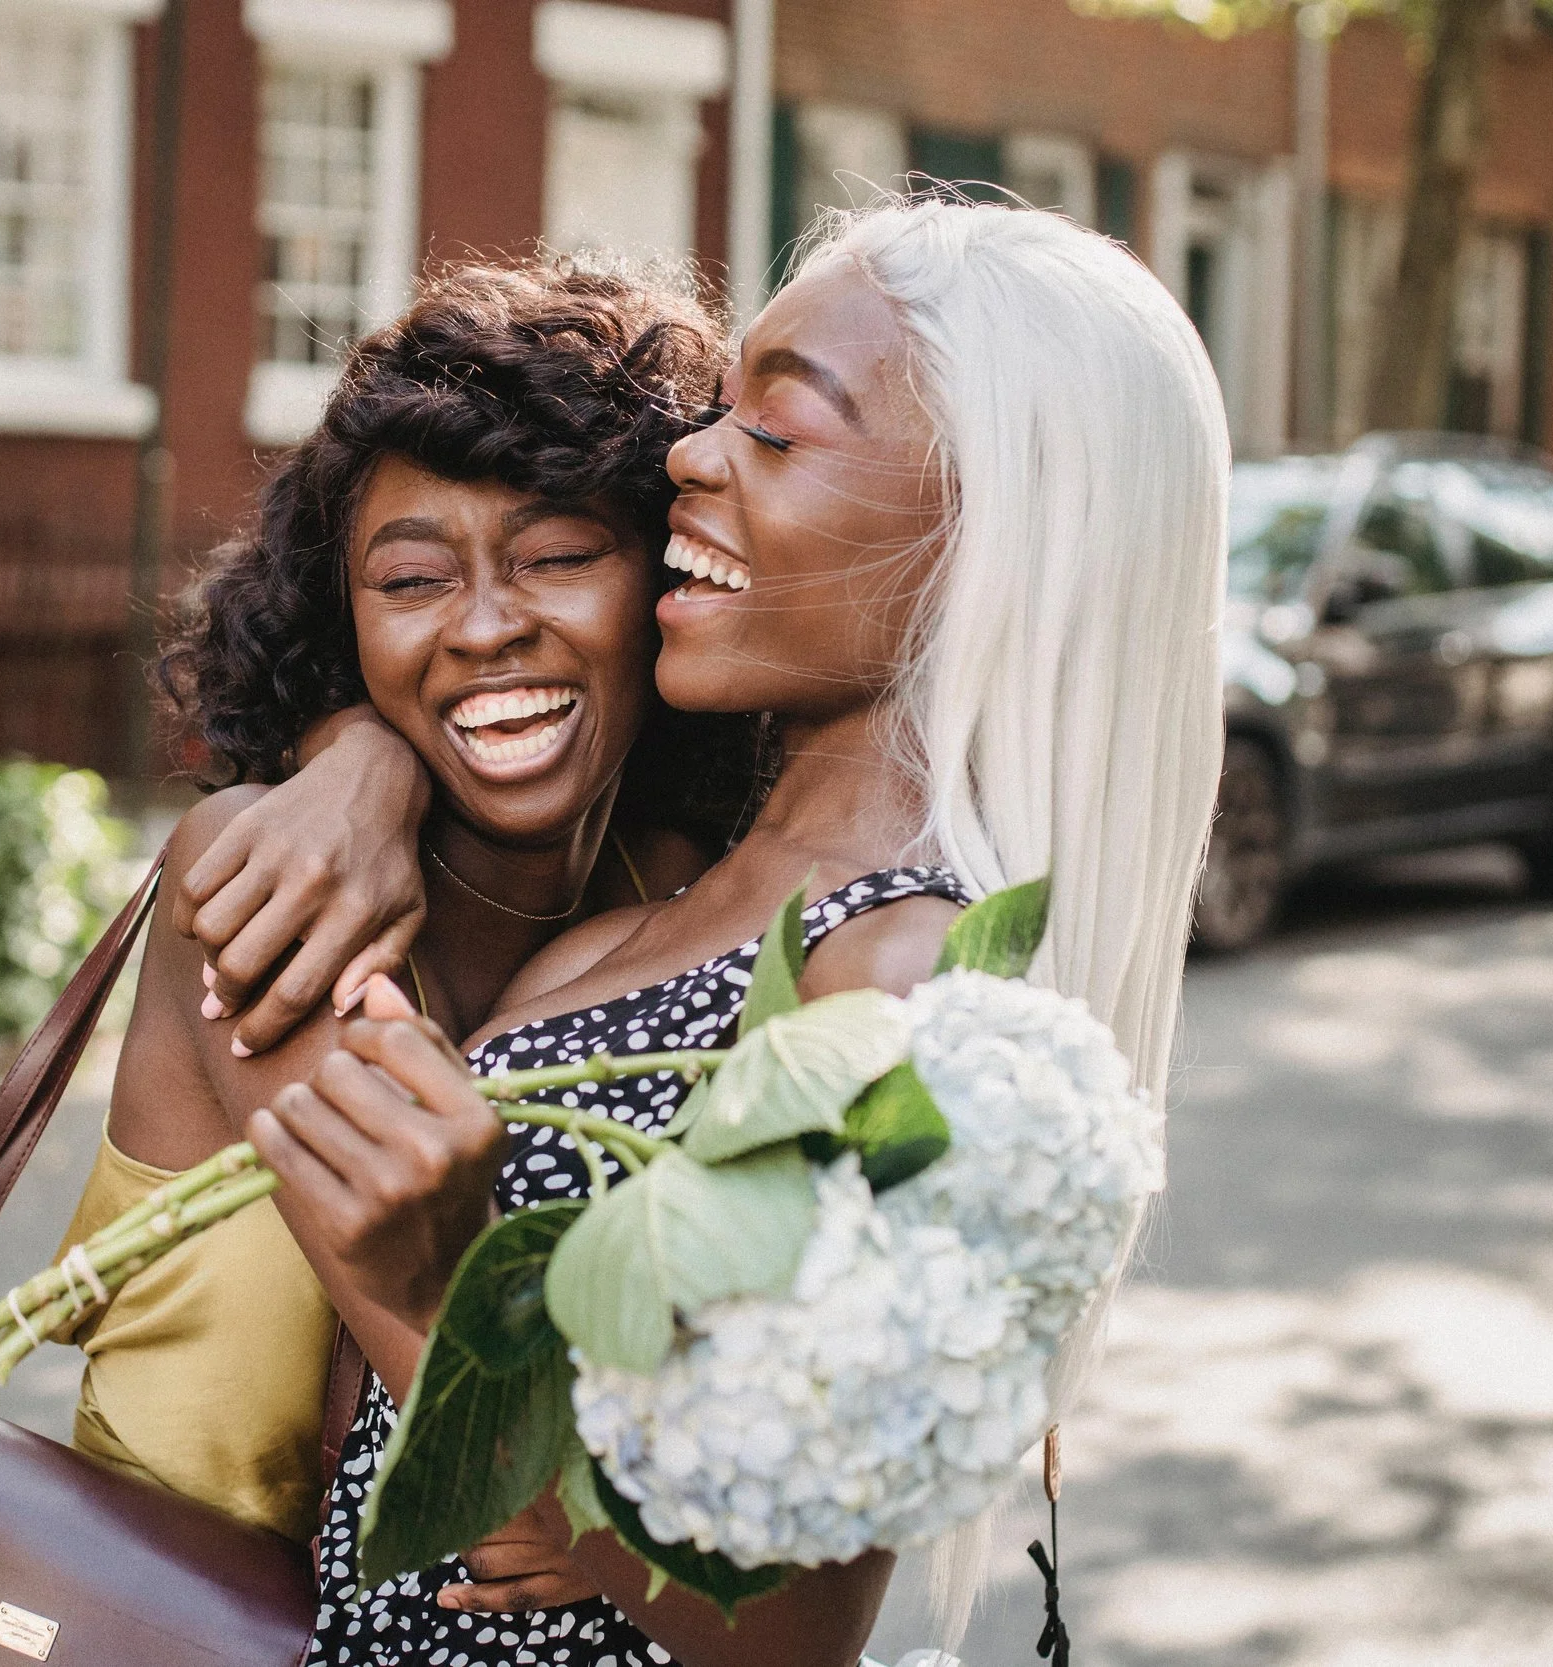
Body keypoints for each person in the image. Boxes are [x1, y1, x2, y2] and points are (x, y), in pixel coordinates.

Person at [228, 198, 1231, 1665]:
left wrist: (444, 1290)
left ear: (993, 531)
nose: (691, 457)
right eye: (719, 413)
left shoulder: (905, 978)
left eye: (774, 430)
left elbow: (795, 1632)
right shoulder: (678, 892)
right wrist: (359, 756)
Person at [47, 261, 748, 1546]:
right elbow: (475, 1422)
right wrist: (611, 1526)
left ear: (666, 577)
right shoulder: (258, 871)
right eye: (413, 580)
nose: (483, 627)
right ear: (346, 623)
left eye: (557, 555)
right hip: (182, 1604)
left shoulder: (691, 889)